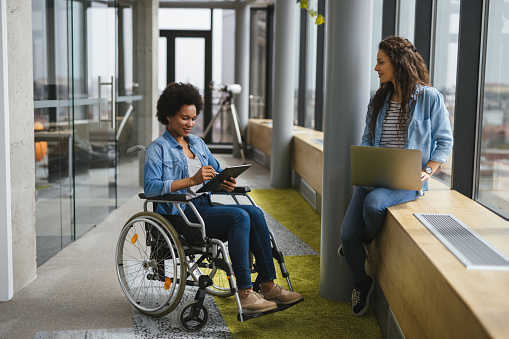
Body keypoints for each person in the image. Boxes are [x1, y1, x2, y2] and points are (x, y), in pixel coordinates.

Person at [144, 82, 302, 314]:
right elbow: (150, 188)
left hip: (203, 207)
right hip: (180, 215)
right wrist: (192, 180)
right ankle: (245, 293)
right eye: (184, 118)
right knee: (238, 216)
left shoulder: (197, 143)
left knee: (255, 212)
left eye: (193, 118)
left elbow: (216, 171)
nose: (190, 124)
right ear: (168, 115)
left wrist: (225, 181)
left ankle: (267, 285)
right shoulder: (157, 149)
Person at [339, 36, 454, 317]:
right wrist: (365, 164)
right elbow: (367, 139)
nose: (376, 68)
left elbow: (444, 142)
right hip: (374, 176)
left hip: (407, 181)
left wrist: (427, 172)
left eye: (381, 62)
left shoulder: (429, 97)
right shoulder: (379, 99)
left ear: (397, 63)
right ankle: (361, 282)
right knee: (345, 235)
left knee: (374, 205)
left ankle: (362, 241)